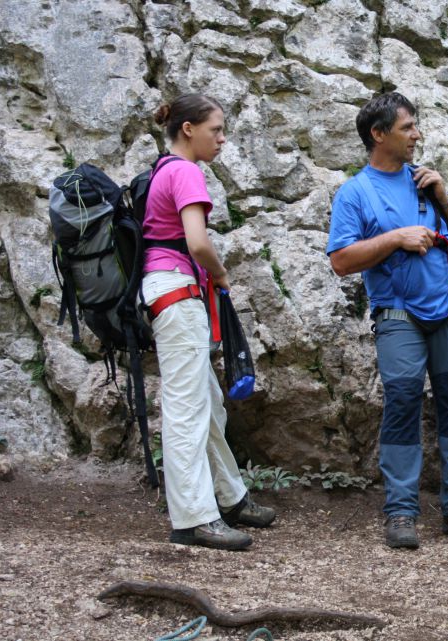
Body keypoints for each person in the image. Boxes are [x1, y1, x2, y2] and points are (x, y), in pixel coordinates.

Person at [327, 92, 448, 549]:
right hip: (397, 313)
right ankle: (401, 512)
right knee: (402, 400)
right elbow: (341, 260)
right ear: (379, 135)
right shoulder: (355, 192)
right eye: (407, 128)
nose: (416, 134)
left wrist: (442, 195)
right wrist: (396, 237)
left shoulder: (424, 181)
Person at [141, 94, 275, 550]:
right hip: (179, 293)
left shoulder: (164, 169)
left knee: (209, 402)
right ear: (187, 130)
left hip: (171, 292)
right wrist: (220, 274)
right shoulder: (185, 171)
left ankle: (230, 496)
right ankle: (194, 517)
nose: (221, 139)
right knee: (187, 409)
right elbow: (197, 243)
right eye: (215, 130)